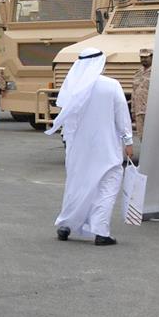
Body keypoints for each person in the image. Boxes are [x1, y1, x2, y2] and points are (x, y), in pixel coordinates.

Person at [45, 49, 133, 245]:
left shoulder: (72, 87)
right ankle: (101, 232)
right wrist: (128, 141)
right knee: (107, 186)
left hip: (77, 148)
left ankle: (66, 225)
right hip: (106, 147)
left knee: (77, 185)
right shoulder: (111, 86)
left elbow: (68, 120)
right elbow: (122, 117)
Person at [129, 48, 153, 139]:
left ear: (152, 57)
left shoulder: (157, 72)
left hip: (151, 111)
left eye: (146, 57)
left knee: (152, 136)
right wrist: (133, 109)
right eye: (142, 57)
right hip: (139, 111)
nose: (143, 59)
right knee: (141, 136)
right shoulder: (137, 73)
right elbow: (134, 92)